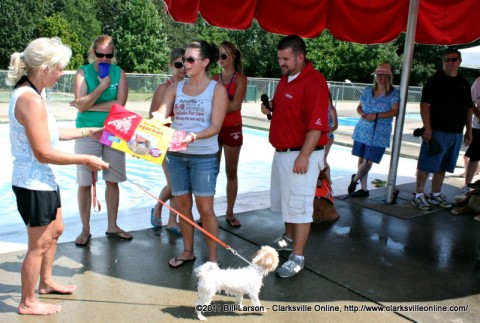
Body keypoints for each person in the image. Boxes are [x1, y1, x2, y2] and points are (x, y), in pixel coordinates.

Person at [6, 37, 108, 315]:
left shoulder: (35, 92)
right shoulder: (29, 99)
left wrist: (89, 132)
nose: (62, 73)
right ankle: (27, 302)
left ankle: (47, 281)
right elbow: (43, 152)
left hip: (42, 180)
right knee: (37, 244)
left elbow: (51, 134)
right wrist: (86, 158)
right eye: (59, 68)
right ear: (44, 68)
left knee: (56, 230)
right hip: (32, 181)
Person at [152, 40, 228, 267]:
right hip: (176, 156)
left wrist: (193, 137)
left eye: (190, 59)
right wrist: (141, 130)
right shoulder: (175, 88)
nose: (185, 63)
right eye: (184, 59)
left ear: (205, 62)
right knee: (183, 207)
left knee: (205, 209)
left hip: (204, 157)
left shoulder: (218, 90)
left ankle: (213, 259)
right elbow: (161, 116)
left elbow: (215, 127)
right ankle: (188, 252)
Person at [260, 35, 329, 278]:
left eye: (285, 58)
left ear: (300, 57)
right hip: (282, 153)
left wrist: (304, 156)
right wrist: (271, 110)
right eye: (279, 58)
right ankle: (288, 238)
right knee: (286, 203)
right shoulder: (286, 78)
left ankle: (297, 257)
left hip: (300, 155)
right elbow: (288, 112)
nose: (281, 62)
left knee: (300, 207)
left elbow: (317, 126)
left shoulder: (314, 82)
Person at [72, 35, 131, 245]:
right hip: (87, 131)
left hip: (114, 129)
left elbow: (120, 105)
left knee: (113, 180)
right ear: (92, 53)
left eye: (109, 55)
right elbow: (81, 105)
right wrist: (102, 87)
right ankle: (85, 229)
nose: (105, 59)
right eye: (100, 55)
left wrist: (87, 104)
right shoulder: (82, 72)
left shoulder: (119, 73)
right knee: (85, 182)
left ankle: (112, 225)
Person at [411, 48, 474, 210]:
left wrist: (469, 130)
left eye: (453, 59)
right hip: (437, 131)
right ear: (442, 61)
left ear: (459, 61)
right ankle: (418, 195)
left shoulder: (463, 83)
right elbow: (425, 105)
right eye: (446, 60)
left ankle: (435, 194)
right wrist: (428, 129)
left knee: (443, 166)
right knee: (426, 165)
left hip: (456, 133)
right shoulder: (435, 81)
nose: (450, 63)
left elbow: (469, 108)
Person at [148, 48, 186, 234]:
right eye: (178, 64)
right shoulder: (165, 88)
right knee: (174, 184)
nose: (182, 68)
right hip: (165, 141)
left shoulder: (189, 87)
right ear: (171, 65)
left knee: (180, 184)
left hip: (182, 142)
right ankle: (158, 207)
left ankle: (173, 220)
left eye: (186, 63)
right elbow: (152, 116)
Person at [347, 64, 400, 197]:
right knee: (362, 159)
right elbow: (359, 107)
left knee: (369, 161)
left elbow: (395, 111)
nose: (380, 77)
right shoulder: (368, 90)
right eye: (378, 75)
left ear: (388, 77)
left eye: (383, 75)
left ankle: (355, 179)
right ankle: (364, 189)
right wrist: (362, 113)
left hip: (380, 131)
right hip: (363, 128)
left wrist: (376, 115)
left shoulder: (393, 92)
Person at [211, 41, 247, 228]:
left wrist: (217, 106)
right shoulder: (214, 78)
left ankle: (230, 212)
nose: (220, 59)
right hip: (215, 128)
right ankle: (207, 212)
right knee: (211, 170)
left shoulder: (240, 79)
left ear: (233, 56)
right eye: (218, 56)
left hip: (232, 128)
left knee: (231, 172)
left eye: (224, 55)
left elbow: (236, 106)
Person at [462, 76, 480, 193]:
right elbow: (470, 101)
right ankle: (467, 185)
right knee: (474, 156)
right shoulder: (479, 81)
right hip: (478, 126)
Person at [324, 86, 338, 179]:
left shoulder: (331, 109)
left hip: (328, 136)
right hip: (318, 136)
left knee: (322, 159)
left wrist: (328, 131)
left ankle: (328, 180)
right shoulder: (319, 107)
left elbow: (335, 126)